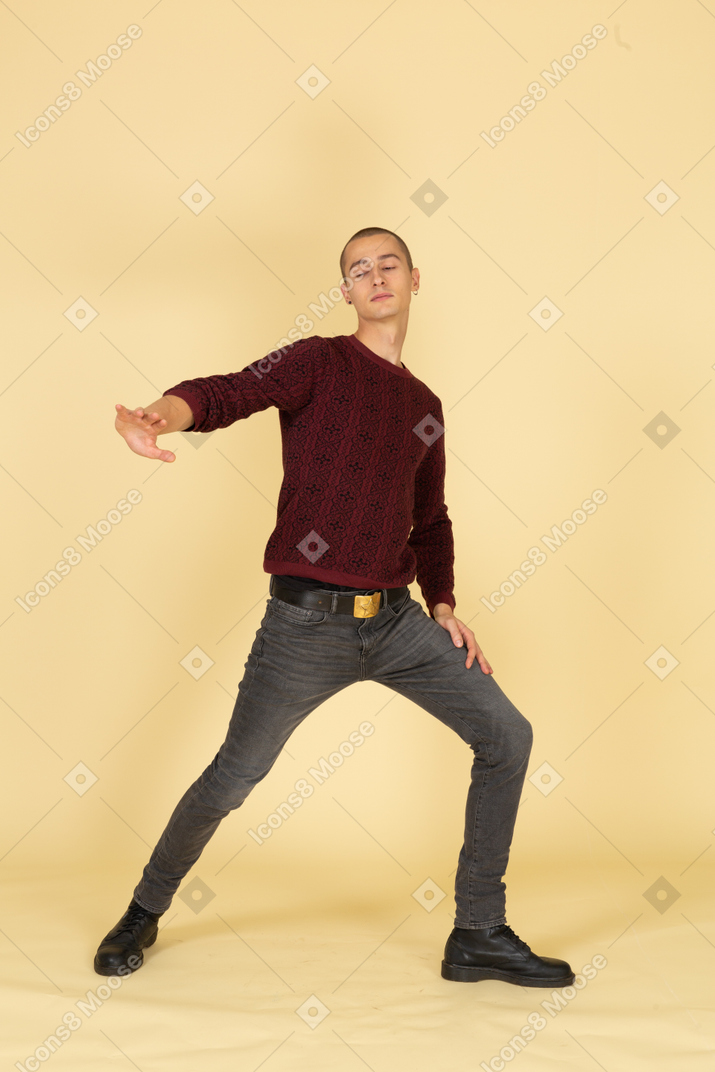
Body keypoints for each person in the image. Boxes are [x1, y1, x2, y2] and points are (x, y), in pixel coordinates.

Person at [95, 227, 574, 988]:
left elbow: (431, 519)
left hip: (395, 624)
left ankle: (477, 931)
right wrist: (159, 416)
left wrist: (441, 602)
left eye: (388, 264)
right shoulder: (317, 361)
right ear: (346, 292)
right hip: (303, 625)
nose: (375, 276)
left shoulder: (424, 405)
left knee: (506, 735)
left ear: (415, 279)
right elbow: (227, 391)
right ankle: (142, 911)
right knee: (231, 778)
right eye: (359, 269)